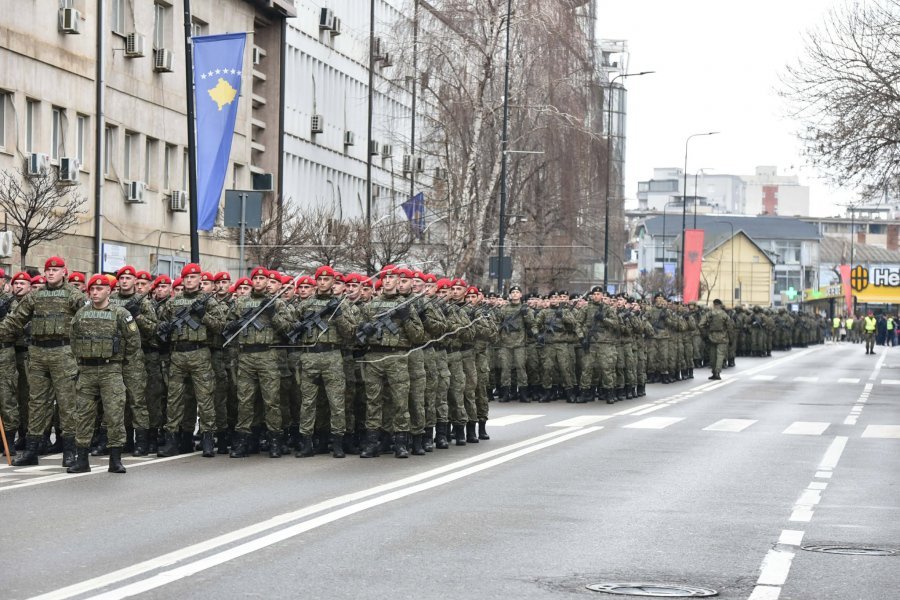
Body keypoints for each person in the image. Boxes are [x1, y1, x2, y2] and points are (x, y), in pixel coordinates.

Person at [0, 257, 86, 467]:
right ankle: (31, 450)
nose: (51, 273)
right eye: (48, 270)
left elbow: (87, 319)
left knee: (67, 403)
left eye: (55, 270)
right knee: (36, 403)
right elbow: (15, 319)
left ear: (64, 272)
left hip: (63, 352)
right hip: (38, 353)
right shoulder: (35, 295)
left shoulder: (74, 295)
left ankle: (69, 451)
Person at [67, 274, 142, 474]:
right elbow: (73, 339)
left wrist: (120, 361)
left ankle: (115, 460)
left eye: (99, 289)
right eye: (92, 289)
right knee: (83, 415)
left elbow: (134, 341)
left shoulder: (120, 313)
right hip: (87, 370)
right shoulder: (81, 314)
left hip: (111, 370)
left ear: (109, 291)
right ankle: (82, 460)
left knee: (114, 414)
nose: (95, 292)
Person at [700, 299, 729, 380]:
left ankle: (713, 372)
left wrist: (705, 334)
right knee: (720, 355)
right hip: (722, 337)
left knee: (712, 356)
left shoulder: (709, 314)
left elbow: (701, 325)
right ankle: (717, 372)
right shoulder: (724, 314)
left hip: (712, 337)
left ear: (714, 305)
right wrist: (730, 337)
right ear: (720, 305)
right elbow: (730, 326)